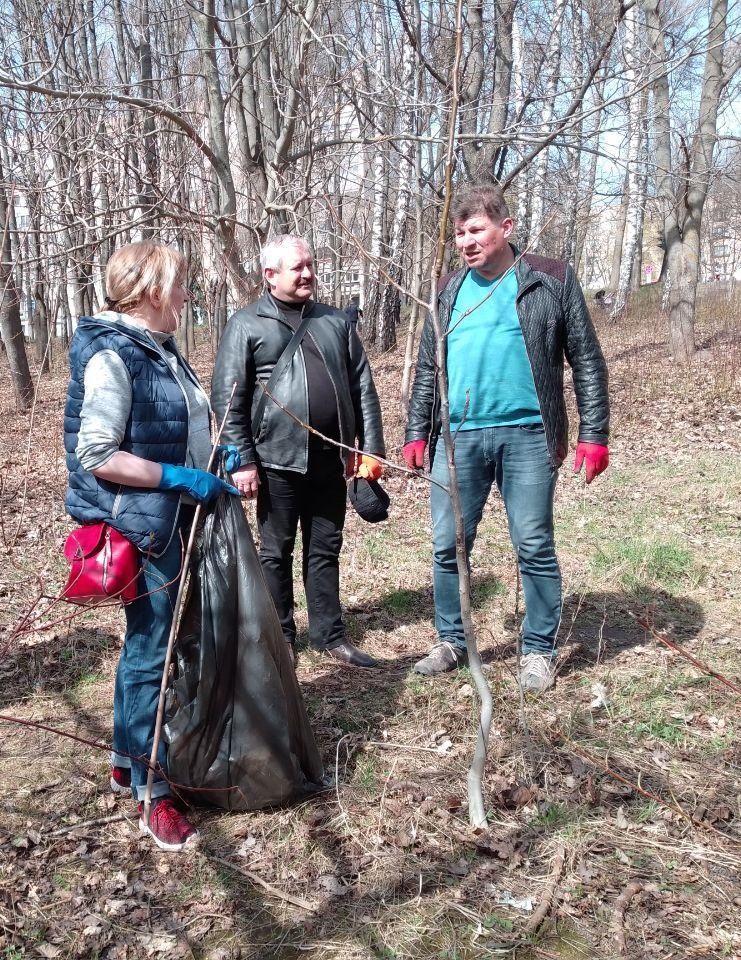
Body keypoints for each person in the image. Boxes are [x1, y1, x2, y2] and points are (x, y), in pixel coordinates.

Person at [64, 241, 238, 852]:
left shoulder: (159, 351)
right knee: (152, 656)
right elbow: (98, 453)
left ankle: (124, 758)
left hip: (172, 515)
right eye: (180, 284)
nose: (188, 295)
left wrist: (211, 459)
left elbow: (168, 430)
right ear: (150, 292)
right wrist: (177, 478)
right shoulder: (114, 356)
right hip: (147, 523)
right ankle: (153, 793)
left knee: (148, 645)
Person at [404, 184, 610, 693]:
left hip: (529, 435)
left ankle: (539, 650)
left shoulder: (550, 279)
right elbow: (431, 368)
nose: (467, 242)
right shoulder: (447, 290)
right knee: (448, 543)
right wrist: (416, 431)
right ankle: (451, 640)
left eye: (477, 231)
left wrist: (594, 434)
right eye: (459, 234)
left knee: (534, 544)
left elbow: (585, 357)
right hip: (458, 438)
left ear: (506, 229)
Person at [211, 235, 385, 668]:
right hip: (274, 462)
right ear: (270, 276)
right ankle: (280, 640)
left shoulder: (335, 322)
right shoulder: (245, 324)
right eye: (297, 267)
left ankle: (330, 635)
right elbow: (228, 396)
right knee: (276, 552)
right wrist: (243, 459)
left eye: (310, 265)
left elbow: (363, 386)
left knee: (326, 548)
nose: (308, 273)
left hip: (332, 459)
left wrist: (371, 449)